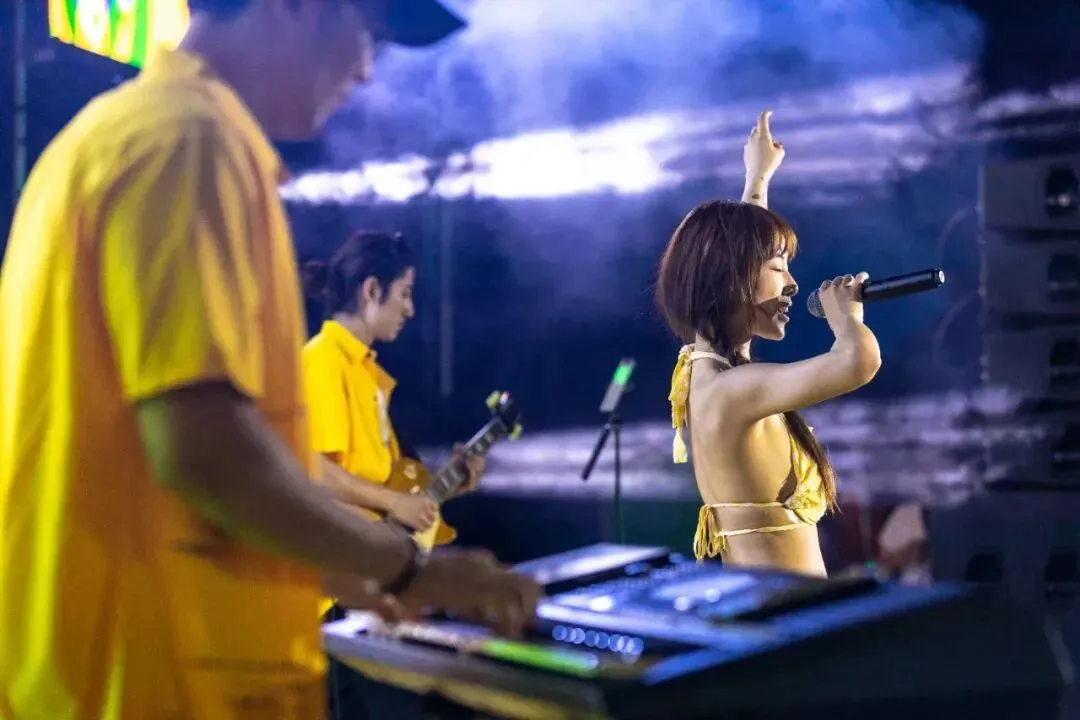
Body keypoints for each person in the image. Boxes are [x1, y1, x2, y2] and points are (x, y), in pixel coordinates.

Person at [0, 2, 540, 719]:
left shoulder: (121, 135)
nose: (367, 71)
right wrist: (411, 569)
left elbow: (165, 480)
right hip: (153, 686)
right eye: (371, 34)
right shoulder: (188, 143)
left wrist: (343, 573)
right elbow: (206, 456)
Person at [655, 111, 882, 576]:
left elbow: (738, 252)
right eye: (779, 269)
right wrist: (847, 319)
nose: (793, 284)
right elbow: (858, 361)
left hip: (785, 607)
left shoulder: (710, 369)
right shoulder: (733, 391)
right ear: (731, 280)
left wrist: (757, 179)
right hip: (787, 610)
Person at [301, 231, 484, 539]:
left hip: (367, 553)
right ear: (372, 290)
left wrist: (450, 482)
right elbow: (315, 470)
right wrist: (395, 503)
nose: (410, 309)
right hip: (338, 562)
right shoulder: (323, 358)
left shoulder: (366, 373)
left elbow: (381, 493)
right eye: (404, 293)